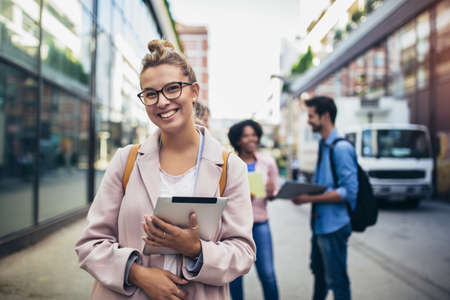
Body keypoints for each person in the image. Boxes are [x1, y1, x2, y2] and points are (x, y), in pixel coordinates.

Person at [75, 40, 256, 300]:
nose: (162, 102)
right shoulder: (126, 160)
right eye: (151, 93)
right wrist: (136, 273)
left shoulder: (230, 167)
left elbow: (243, 252)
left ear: (194, 91)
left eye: (172, 89)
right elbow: (89, 245)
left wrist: (196, 249)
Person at [291, 96, 358, 300]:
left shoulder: (341, 148)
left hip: (334, 227)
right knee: (319, 277)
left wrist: (308, 199)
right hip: (320, 226)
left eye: (311, 116)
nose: (308, 120)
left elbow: (349, 192)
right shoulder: (324, 145)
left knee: (337, 281)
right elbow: (326, 186)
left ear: (325, 116)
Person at [227, 119, 280, 300]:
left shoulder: (268, 163)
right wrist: (241, 199)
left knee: (268, 274)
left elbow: (274, 194)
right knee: (234, 278)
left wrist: (272, 192)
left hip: (260, 225)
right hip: (234, 228)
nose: (252, 139)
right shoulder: (230, 164)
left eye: (254, 134)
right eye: (246, 135)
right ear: (238, 140)